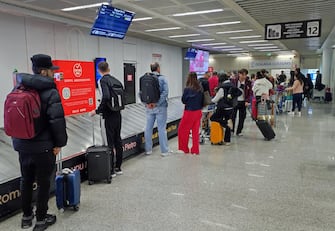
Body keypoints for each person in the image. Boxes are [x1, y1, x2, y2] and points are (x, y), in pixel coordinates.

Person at [12, 54, 67, 231]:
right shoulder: (50, 91)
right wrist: (60, 143)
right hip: (43, 147)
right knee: (44, 183)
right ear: (43, 71)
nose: (53, 74)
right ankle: (41, 219)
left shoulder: (19, 88)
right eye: (51, 70)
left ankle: (26, 217)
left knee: (26, 180)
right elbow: (56, 121)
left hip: (22, 144)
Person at [89, 61, 124, 176]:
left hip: (109, 115)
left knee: (110, 142)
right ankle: (119, 167)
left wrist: (97, 111)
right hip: (118, 113)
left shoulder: (103, 81)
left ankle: (111, 170)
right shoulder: (116, 80)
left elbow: (106, 97)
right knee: (118, 140)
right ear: (108, 69)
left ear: (99, 70)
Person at [144, 62, 171, 156]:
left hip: (148, 108)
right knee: (162, 128)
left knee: (148, 128)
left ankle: (148, 150)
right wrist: (157, 103)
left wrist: (147, 104)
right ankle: (164, 151)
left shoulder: (145, 78)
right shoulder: (162, 78)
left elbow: (140, 93)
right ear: (158, 68)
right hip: (160, 107)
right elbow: (165, 92)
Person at [210, 73, 241, 145]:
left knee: (213, 118)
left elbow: (215, 99)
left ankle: (225, 123)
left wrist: (209, 101)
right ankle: (227, 141)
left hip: (222, 108)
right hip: (231, 107)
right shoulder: (233, 85)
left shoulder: (222, 88)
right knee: (228, 122)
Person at [177, 72, 203, 154]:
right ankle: (195, 150)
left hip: (189, 112)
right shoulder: (200, 88)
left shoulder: (187, 89)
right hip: (198, 112)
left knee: (182, 130)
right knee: (195, 131)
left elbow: (183, 100)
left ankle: (184, 148)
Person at [231, 68, 252, 136]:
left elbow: (250, 93)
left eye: (245, 75)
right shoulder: (233, 81)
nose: (244, 76)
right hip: (235, 101)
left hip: (243, 102)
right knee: (233, 117)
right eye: (242, 74)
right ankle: (232, 130)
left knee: (242, 117)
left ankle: (239, 131)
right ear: (239, 74)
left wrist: (247, 101)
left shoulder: (248, 82)